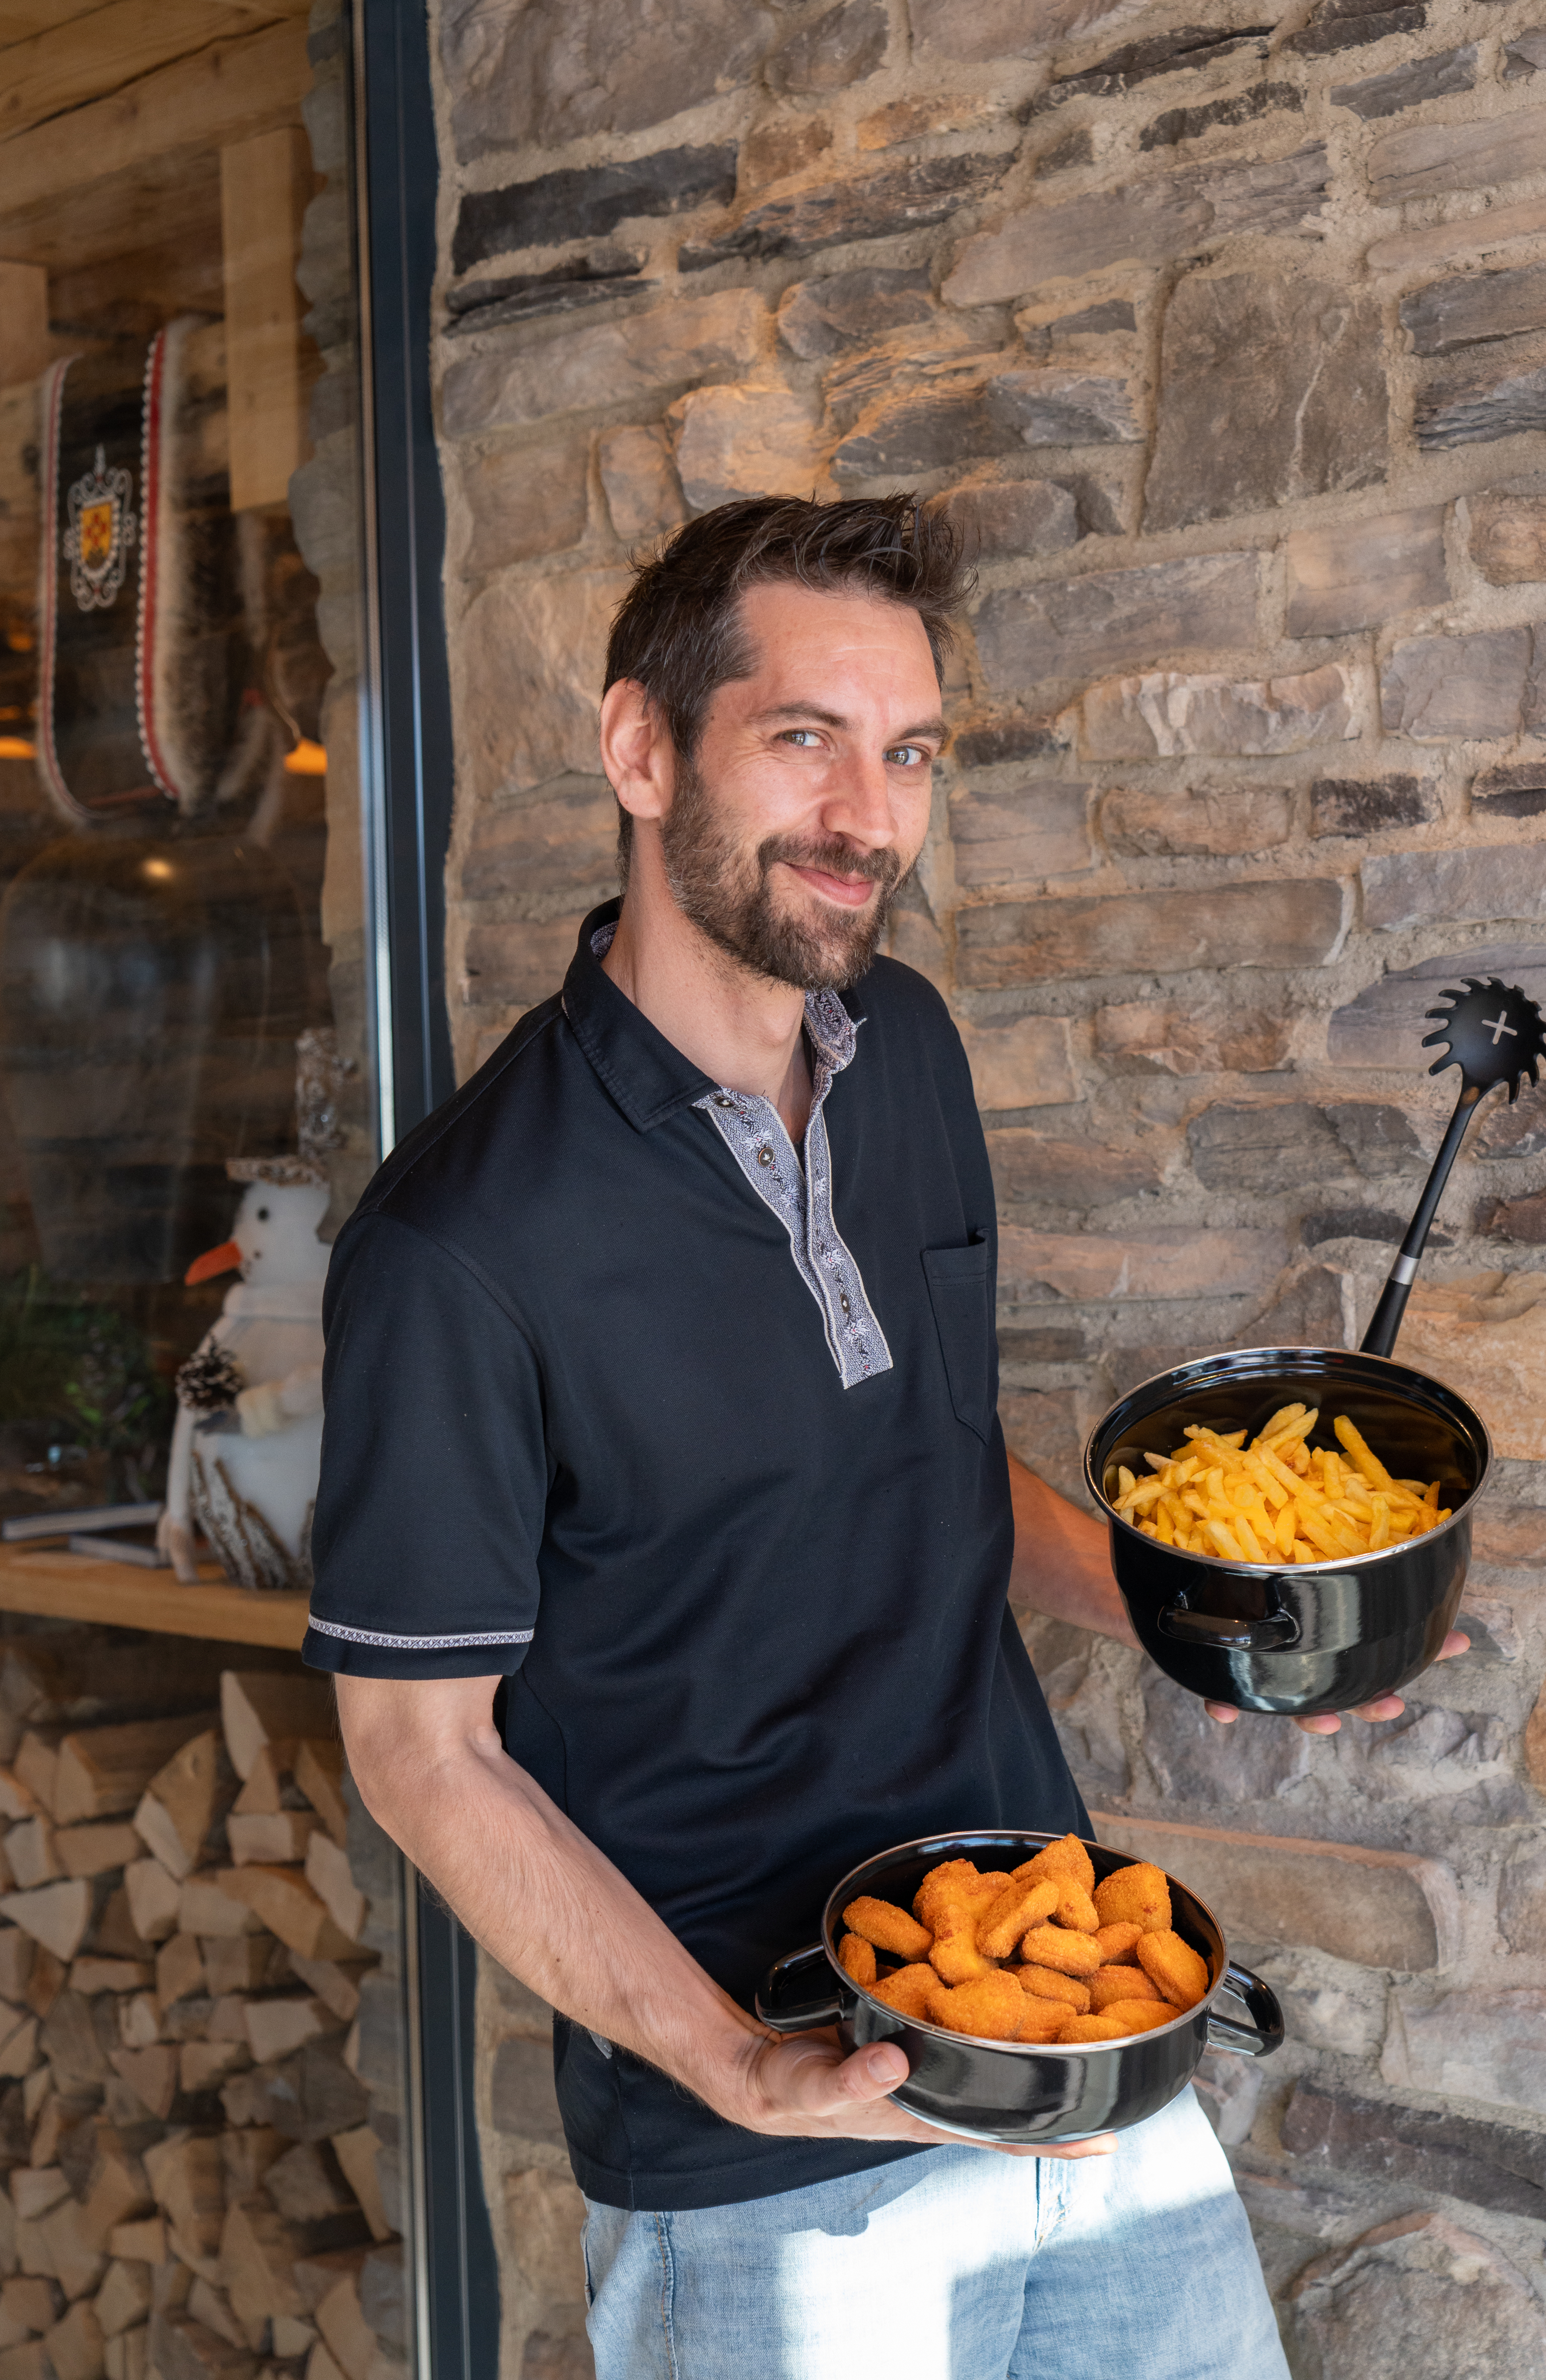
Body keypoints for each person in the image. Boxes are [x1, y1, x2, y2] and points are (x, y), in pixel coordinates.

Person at [305, 497, 1450, 2375]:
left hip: (1085, 2078)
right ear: (640, 748)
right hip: (775, 2177)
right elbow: (418, 1749)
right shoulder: (457, 1250)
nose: (867, 814)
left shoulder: (902, 1044)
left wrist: (1216, 1622)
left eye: (907, 751)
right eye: (803, 739)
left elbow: (932, 1474)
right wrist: (738, 2066)